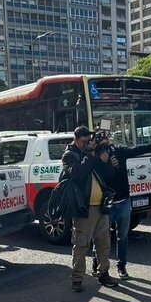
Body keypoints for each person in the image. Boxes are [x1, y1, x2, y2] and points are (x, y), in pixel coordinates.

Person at [92, 132, 151, 279]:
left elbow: (137, 149)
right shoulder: (95, 157)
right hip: (107, 203)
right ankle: (96, 264)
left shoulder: (119, 151)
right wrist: (103, 161)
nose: (106, 143)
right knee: (101, 238)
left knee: (122, 236)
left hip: (123, 200)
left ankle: (121, 266)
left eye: (107, 140)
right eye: (102, 141)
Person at [62, 125, 118, 292]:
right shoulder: (70, 155)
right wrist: (90, 155)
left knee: (104, 242)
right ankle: (77, 279)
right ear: (76, 140)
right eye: (84, 141)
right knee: (81, 244)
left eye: (89, 140)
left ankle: (103, 273)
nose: (87, 143)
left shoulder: (93, 153)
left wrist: (107, 162)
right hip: (83, 208)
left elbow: (108, 175)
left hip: (101, 205)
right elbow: (77, 174)